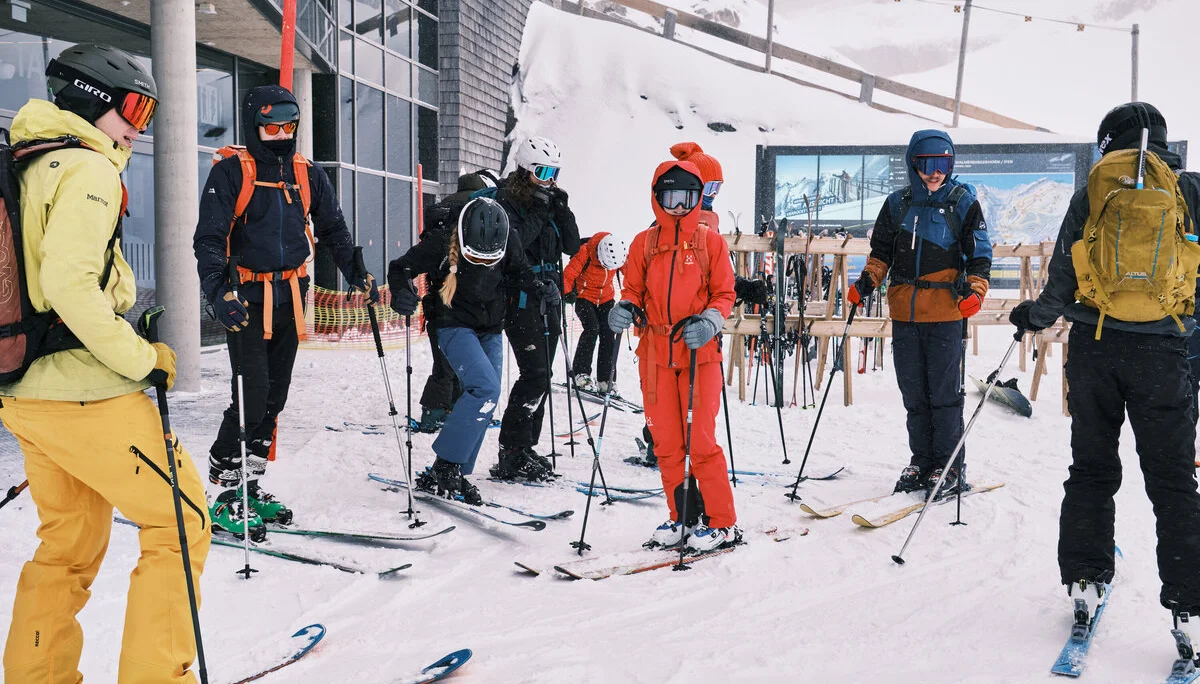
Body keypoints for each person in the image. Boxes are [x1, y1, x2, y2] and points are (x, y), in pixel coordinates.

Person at [1, 44, 209, 683]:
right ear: (95, 100)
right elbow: (68, 284)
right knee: (182, 524)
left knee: (66, 547)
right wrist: (144, 358)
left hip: (24, 393)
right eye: (135, 107)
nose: (139, 125)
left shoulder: (27, 162)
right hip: (84, 393)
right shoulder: (88, 169)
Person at [1009, 102, 1200, 654]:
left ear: (1107, 142)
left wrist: (1033, 318)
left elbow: (1063, 280)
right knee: (1173, 481)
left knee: (1092, 469)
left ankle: (1087, 579)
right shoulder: (1189, 191)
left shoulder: (1093, 190)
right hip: (1165, 353)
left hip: (1097, 349)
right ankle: (1189, 604)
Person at [194, 85, 378, 534]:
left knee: (275, 398)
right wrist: (217, 292)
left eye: (288, 126)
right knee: (251, 396)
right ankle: (223, 491)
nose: (280, 135)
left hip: (291, 297)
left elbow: (333, 227)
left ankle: (250, 487)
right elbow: (210, 238)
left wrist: (356, 271)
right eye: (270, 126)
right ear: (253, 124)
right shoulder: (231, 172)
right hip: (246, 300)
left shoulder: (306, 173)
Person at [848, 129, 991, 498]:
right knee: (914, 395)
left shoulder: (963, 202)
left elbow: (979, 255)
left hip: (945, 314)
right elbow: (881, 251)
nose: (935, 172)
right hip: (905, 314)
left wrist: (975, 291)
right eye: (926, 163)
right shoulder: (897, 204)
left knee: (944, 396)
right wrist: (867, 281)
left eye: (942, 163)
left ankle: (948, 466)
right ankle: (922, 461)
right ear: (913, 164)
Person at [388, 198, 554, 504]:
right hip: (452, 323)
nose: (482, 264)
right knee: (484, 389)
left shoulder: (508, 239)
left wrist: (541, 287)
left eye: (488, 260)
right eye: (474, 258)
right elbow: (399, 268)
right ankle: (446, 466)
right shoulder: (440, 241)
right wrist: (401, 291)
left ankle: (453, 470)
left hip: (490, 326)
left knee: (486, 400)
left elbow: (519, 272)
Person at [609, 159, 738, 552]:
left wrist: (712, 322)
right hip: (654, 352)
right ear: (657, 198)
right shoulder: (643, 243)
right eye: (670, 197)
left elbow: (724, 293)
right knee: (665, 442)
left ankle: (722, 522)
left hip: (698, 352)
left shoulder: (710, 243)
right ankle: (683, 515)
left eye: (687, 197)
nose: (678, 206)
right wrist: (624, 308)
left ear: (698, 198)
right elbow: (632, 290)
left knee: (699, 441)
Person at [490, 136, 580, 482]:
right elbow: (516, 245)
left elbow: (571, 245)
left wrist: (562, 208)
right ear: (525, 170)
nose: (549, 180)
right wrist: (541, 211)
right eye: (542, 172)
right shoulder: (507, 202)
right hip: (521, 299)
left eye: (553, 172)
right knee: (535, 374)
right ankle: (510, 451)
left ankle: (527, 445)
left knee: (545, 376)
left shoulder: (550, 201)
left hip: (549, 298)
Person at [412, 170, 496, 433]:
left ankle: (438, 410)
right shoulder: (476, 210)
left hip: (438, 298)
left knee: (445, 362)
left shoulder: (439, 212)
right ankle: (441, 412)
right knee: (460, 365)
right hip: (467, 301)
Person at [563, 232, 627, 393]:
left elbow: (634, 275)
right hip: (583, 297)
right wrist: (566, 292)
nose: (608, 269)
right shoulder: (584, 252)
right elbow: (567, 276)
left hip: (606, 297)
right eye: (606, 265)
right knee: (592, 329)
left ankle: (606, 380)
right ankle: (581, 374)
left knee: (608, 332)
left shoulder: (618, 253)